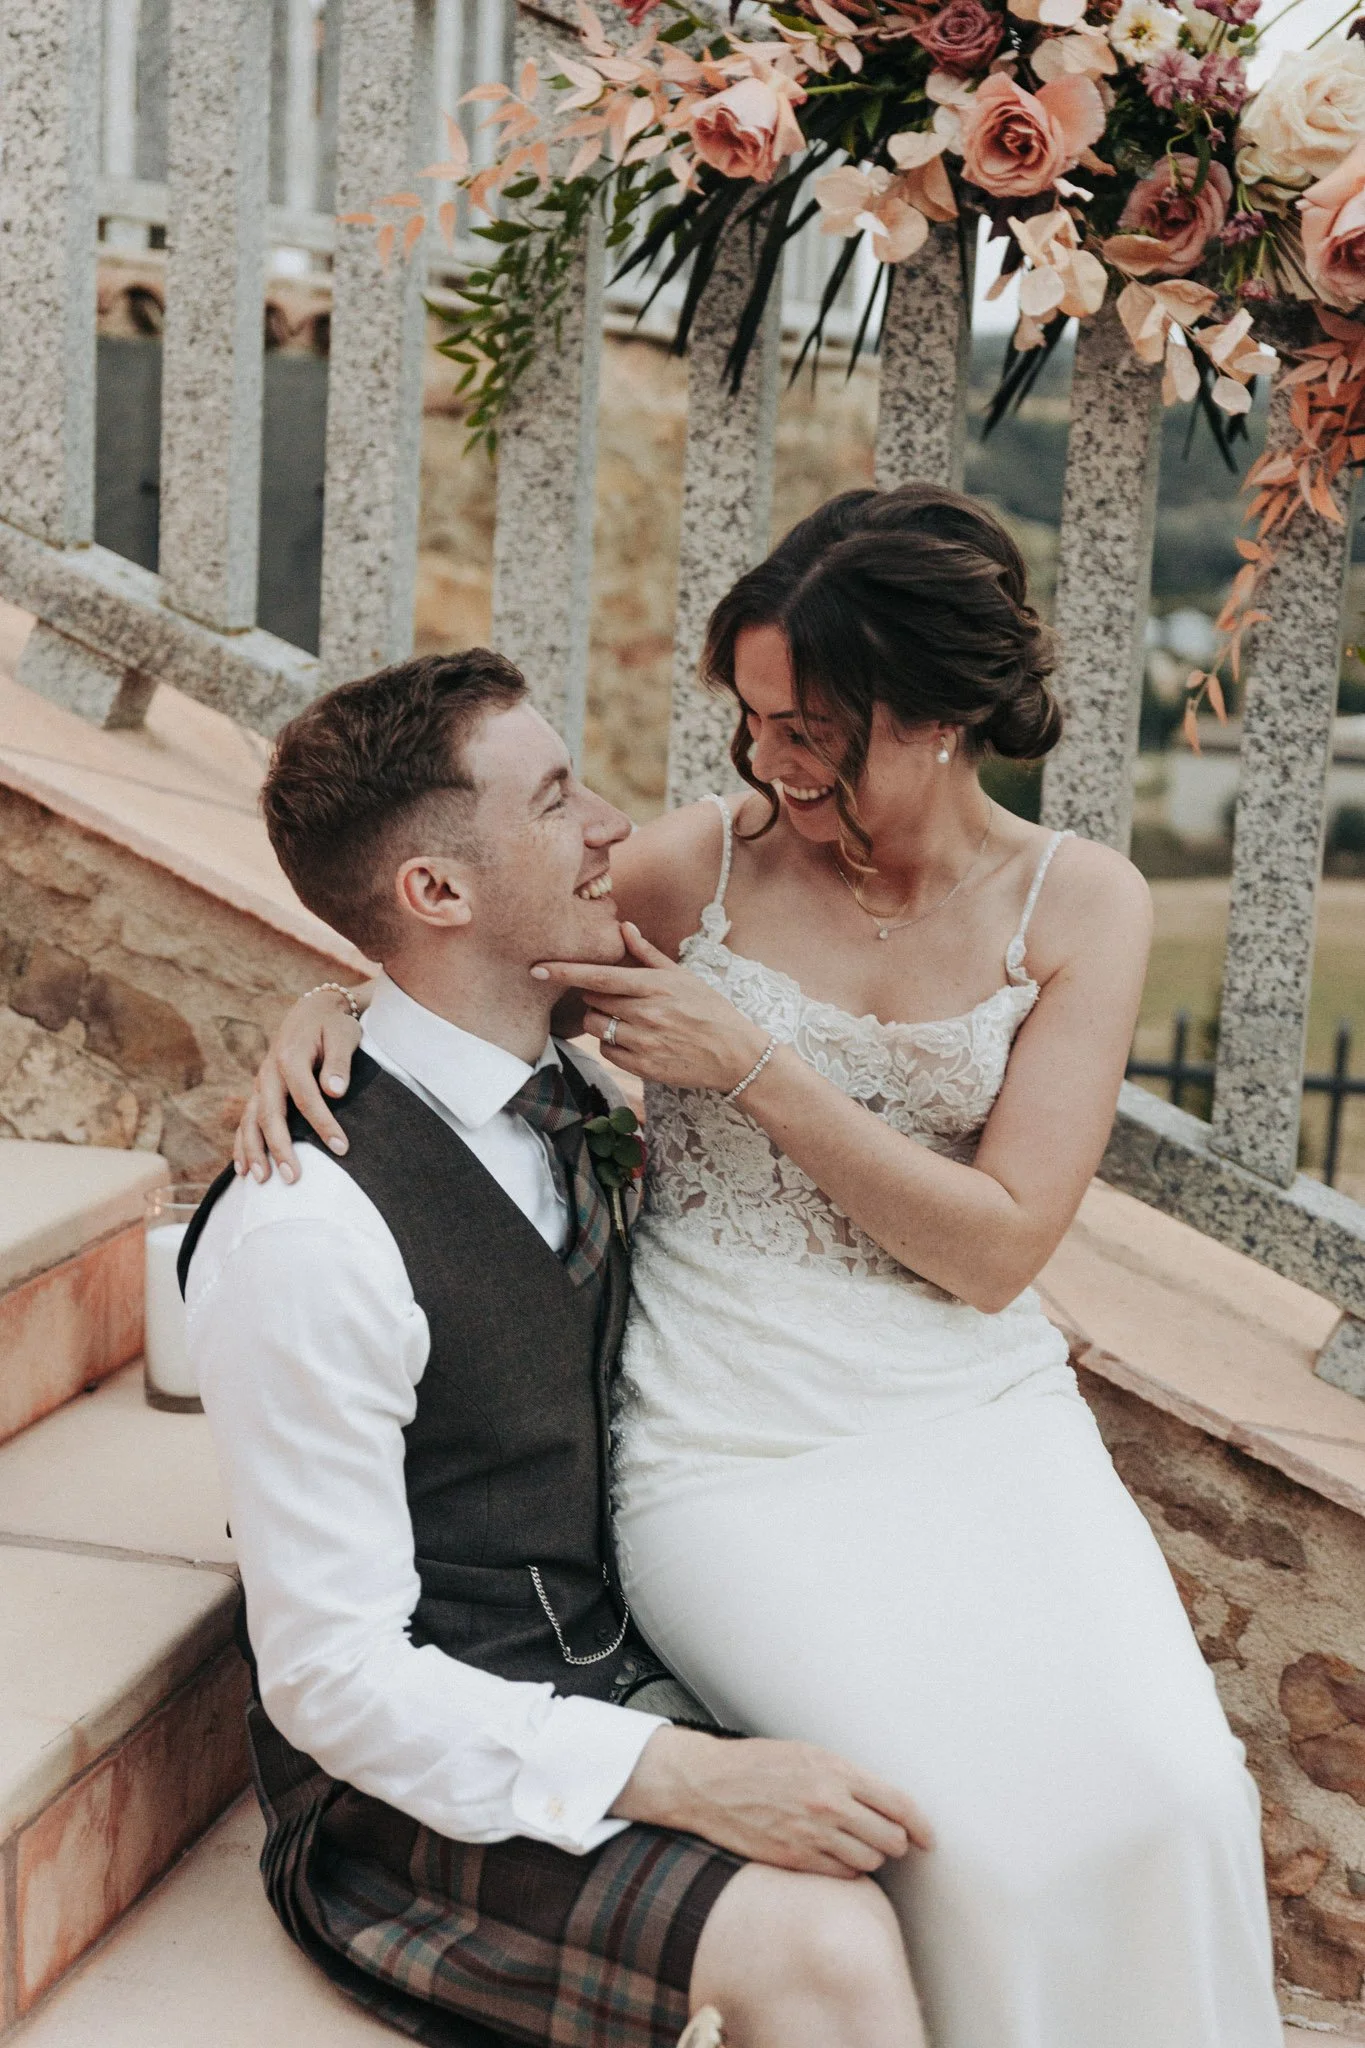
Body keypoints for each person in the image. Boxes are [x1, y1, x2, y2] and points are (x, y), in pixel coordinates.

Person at [239, 486, 1285, 2048]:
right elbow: (461, 944)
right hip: (727, 1427)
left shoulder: (1085, 906)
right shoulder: (702, 872)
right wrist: (318, 1012)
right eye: (756, 720)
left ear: (933, 718)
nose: (767, 762)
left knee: (1183, 1792)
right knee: (974, 1832)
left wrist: (759, 1075)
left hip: (968, 1398)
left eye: (810, 730)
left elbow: (1001, 1252)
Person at [183, 648, 932, 2048]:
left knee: (971, 1813)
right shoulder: (304, 1238)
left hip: (626, 1649)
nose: (611, 831)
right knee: (826, 1947)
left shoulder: (572, 1071)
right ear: (439, 893)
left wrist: (335, 998)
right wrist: (683, 1780)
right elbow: (334, 1681)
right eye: (557, 799)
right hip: (411, 1788)